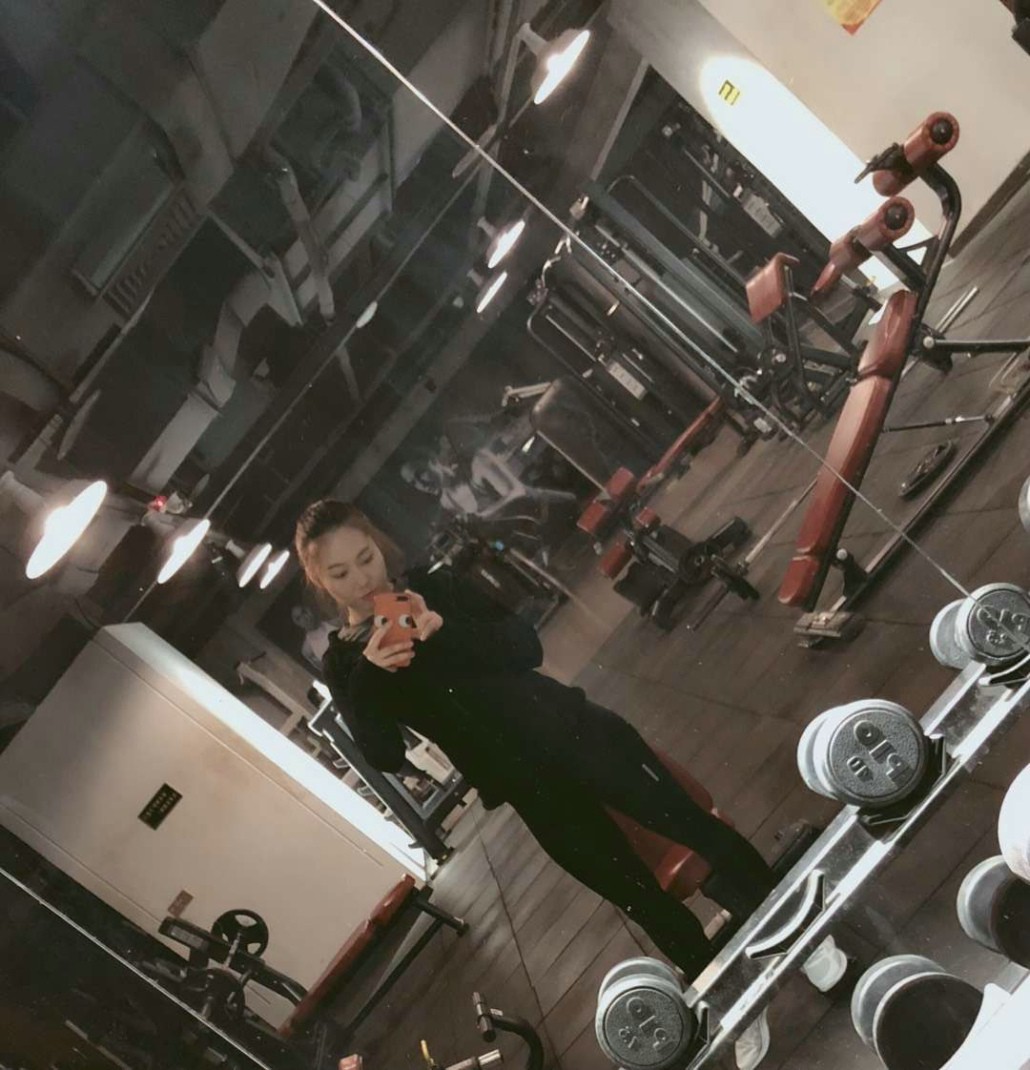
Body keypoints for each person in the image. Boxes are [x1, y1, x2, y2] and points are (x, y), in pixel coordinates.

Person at [293, 499, 779, 981]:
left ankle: (787, 922)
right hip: (531, 790)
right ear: (319, 580)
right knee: (640, 899)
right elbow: (384, 754)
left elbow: (527, 647)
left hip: (577, 732)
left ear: (378, 546)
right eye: (340, 573)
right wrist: (370, 676)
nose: (363, 580)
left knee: (694, 827)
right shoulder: (345, 666)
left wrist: (443, 631)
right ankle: (725, 993)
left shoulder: (433, 587)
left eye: (366, 558)